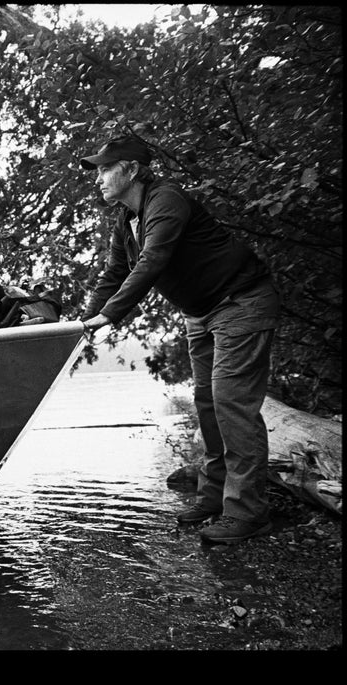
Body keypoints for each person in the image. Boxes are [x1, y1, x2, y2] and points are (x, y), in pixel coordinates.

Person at [79, 135, 280, 544]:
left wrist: (110, 314)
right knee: (207, 403)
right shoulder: (126, 219)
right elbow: (115, 273)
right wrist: (84, 323)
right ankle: (215, 496)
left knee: (231, 404)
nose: (98, 178)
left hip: (240, 301)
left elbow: (153, 260)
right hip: (200, 312)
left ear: (132, 170)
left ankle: (248, 513)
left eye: (105, 169)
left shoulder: (166, 200)